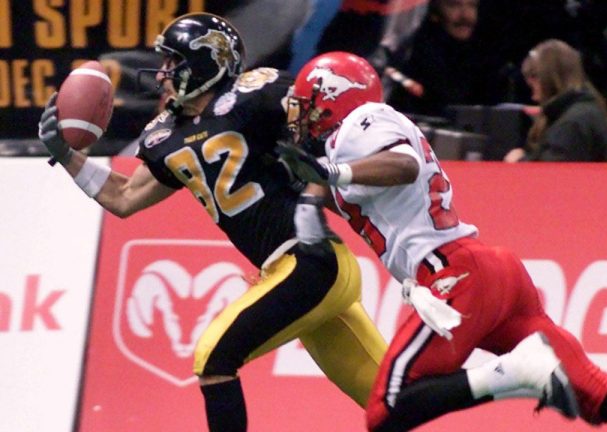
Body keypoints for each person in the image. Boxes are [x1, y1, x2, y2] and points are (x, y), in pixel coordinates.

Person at [278, 51, 607, 432]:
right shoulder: (350, 142)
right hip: (491, 273)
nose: (298, 112)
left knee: (386, 409)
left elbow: (404, 164)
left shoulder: (359, 125)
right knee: (601, 391)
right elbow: (348, 193)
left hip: (455, 276)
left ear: (330, 94)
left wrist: (332, 171)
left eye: (303, 100)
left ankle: (515, 374)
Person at [37, 13, 387, 432]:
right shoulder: (167, 133)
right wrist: (70, 157)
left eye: (173, 62)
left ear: (205, 62)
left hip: (311, 261)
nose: (163, 73)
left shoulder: (255, 95)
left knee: (213, 356)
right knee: (392, 400)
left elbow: (331, 123)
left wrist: (324, 178)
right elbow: (125, 197)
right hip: (294, 274)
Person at [383, 0, 511, 116]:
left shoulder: (488, 59)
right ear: (435, 10)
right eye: (453, 5)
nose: (466, 16)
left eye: (472, 5)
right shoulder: (411, 57)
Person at [504, 39, 607, 163]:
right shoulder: (588, 110)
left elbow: (552, 177)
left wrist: (520, 162)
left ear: (547, 80)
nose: (534, 98)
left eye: (533, 89)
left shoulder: (572, 124)